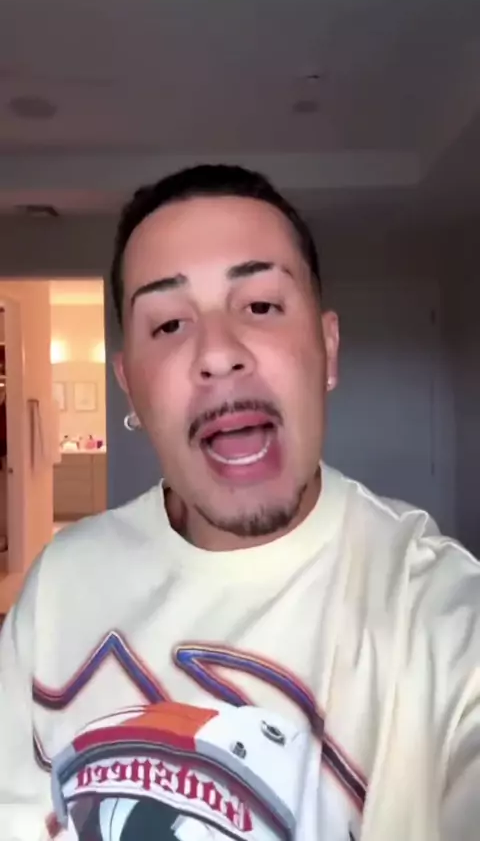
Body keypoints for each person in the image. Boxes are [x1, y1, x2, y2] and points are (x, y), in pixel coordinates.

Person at [0, 164, 478, 841]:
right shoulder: (59, 585)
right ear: (130, 385)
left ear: (328, 349)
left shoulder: (436, 610)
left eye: (259, 306)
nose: (218, 353)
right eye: (169, 323)